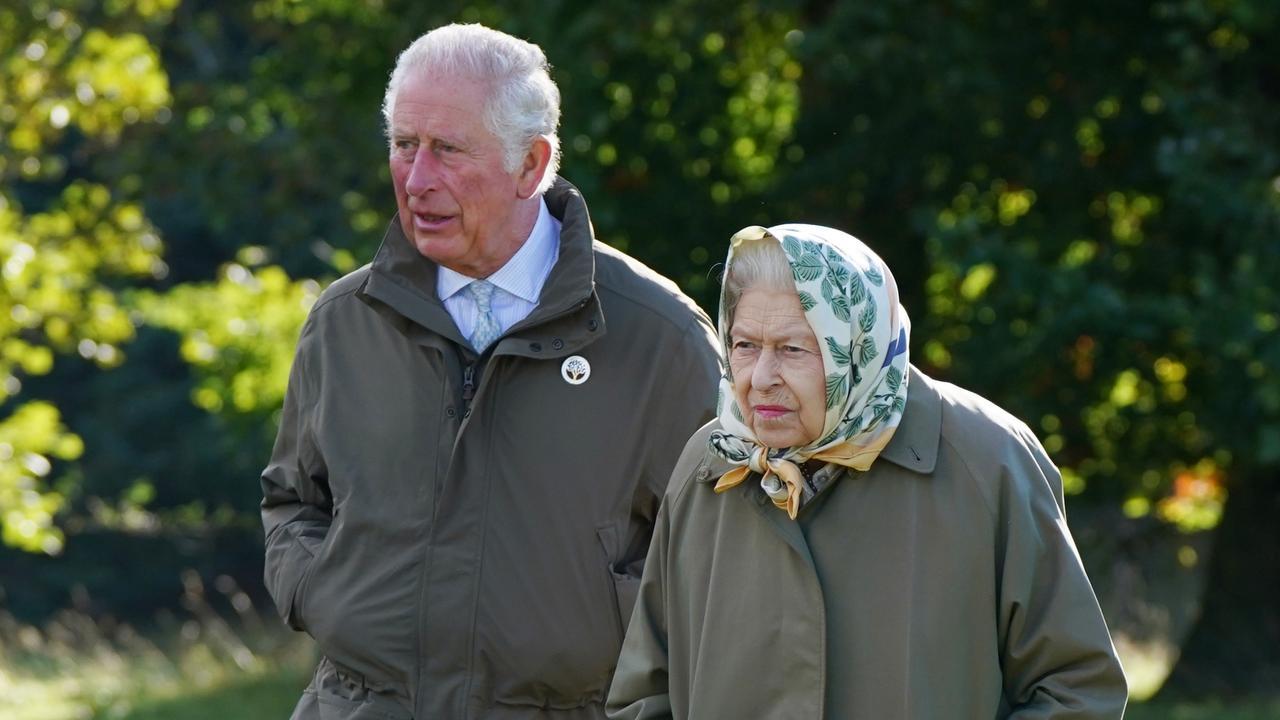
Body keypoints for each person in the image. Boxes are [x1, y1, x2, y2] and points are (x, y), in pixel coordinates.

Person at [260, 23, 721, 720]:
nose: (416, 180)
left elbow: (719, 554)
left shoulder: (662, 340)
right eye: (403, 145)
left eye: (446, 150)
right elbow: (292, 500)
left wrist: (613, 629)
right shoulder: (345, 321)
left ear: (531, 165)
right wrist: (321, 594)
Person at [606, 224, 1129, 719]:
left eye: (793, 349)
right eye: (745, 346)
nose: (761, 378)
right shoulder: (710, 463)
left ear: (856, 348)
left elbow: (1075, 689)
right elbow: (644, 694)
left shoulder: (988, 460)